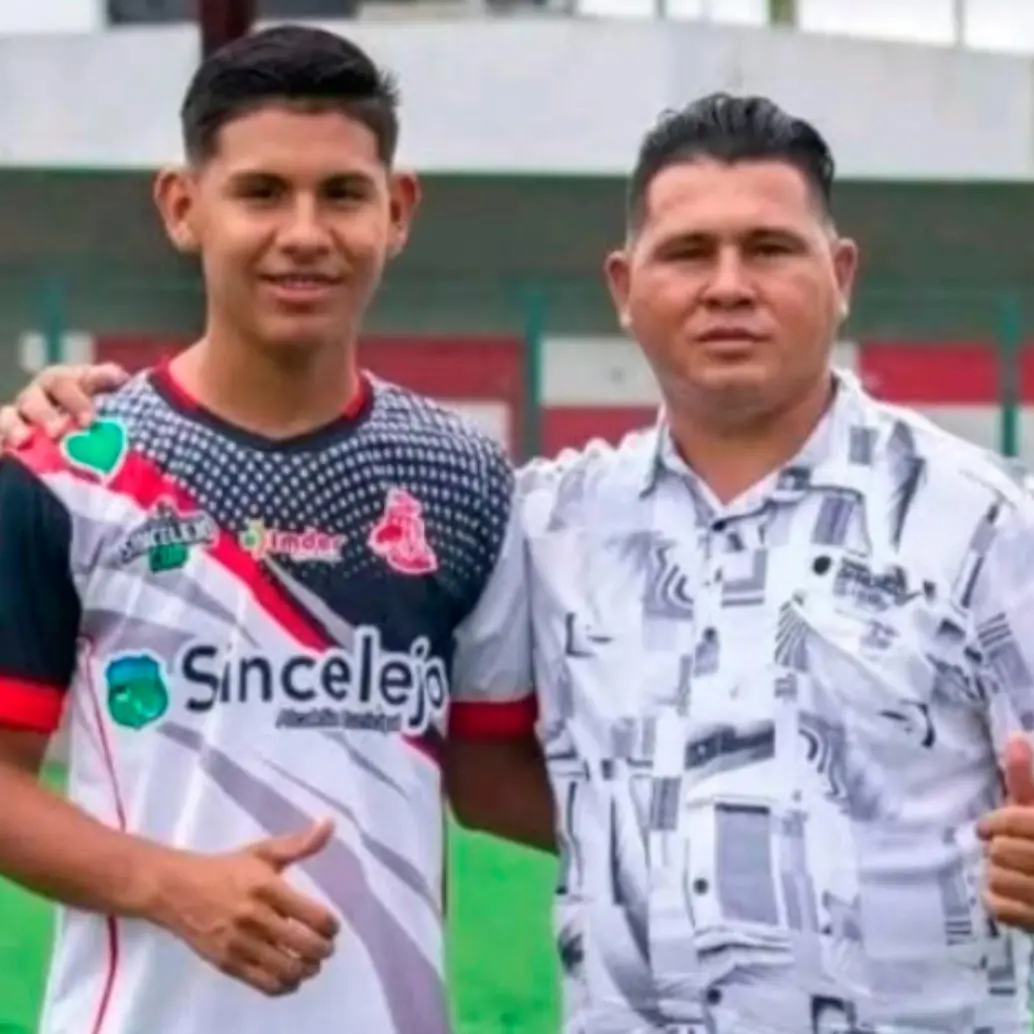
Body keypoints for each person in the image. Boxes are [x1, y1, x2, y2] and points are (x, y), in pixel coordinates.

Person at [9, 92, 1034, 1034]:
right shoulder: (544, 516)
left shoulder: (983, 520)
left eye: (768, 247)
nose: (728, 286)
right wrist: (54, 415)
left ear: (839, 274)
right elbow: (485, 768)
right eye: (688, 252)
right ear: (625, 289)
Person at [0, 24, 542, 1034]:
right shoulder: (68, 465)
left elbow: (491, 775)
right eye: (260, 193)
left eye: (342, 193)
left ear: (398, 211)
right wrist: (170, 883)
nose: (304, 232)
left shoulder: (464, 480)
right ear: (183, 206)